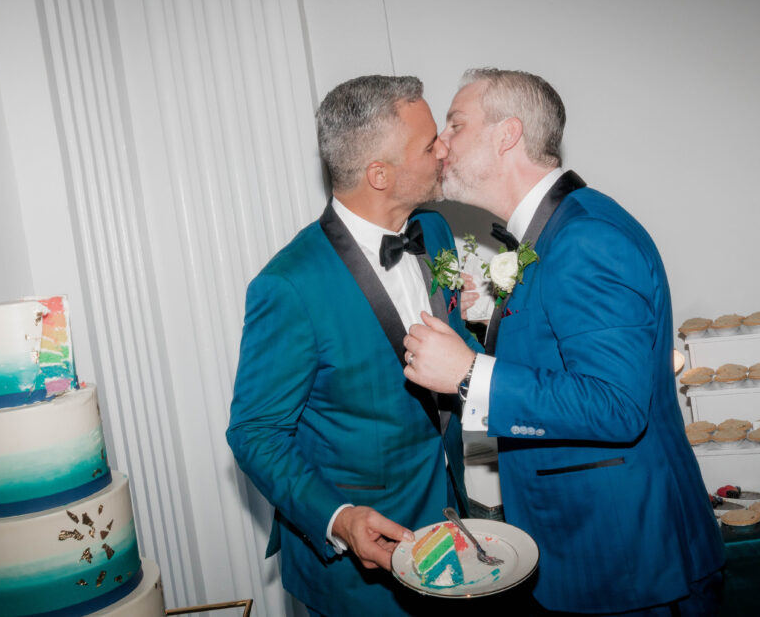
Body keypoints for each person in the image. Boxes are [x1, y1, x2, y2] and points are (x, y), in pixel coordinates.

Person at [402, 68, 725, 615]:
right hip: (595, 553)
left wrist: (467, 373)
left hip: (629, 562)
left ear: (507, 134)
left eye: (455, 125)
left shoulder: (585, 238)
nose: (441, 144)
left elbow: (616, 406)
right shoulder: (554, 233)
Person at [227, 75, 479, 617]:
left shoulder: (433, 232)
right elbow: (254, 432)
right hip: (360, 575)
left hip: (451, 524)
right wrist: (339, 518)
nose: (445, 150)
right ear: (379, 174)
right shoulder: (289, 286)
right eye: (430, 143)